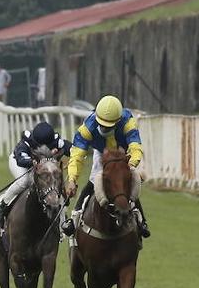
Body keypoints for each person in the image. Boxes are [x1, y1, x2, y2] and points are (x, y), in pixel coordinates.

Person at [62, 95, 150, 239]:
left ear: (118, 120)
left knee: (130, 178)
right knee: (94, 179)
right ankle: (75, 216)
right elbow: (77, 155)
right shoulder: (87, 127)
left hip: (122, 151)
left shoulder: (127, 120)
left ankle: (141, 220)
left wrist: (131, 164)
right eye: (101, 124)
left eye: (108, 126)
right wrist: (72, 179)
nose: (104, 127)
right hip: (101, 151)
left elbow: (135, 146)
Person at [0, 121, 70, 230]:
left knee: (55, 186)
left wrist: (75, 157)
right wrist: (33, 162)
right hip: (19, 163)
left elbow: (70, 148)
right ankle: (1, 204)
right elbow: (21, 159)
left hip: (43, 166)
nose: (45, 147)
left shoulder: (55, 140)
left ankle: (62, 222)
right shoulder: (27, 142)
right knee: (25, 181)